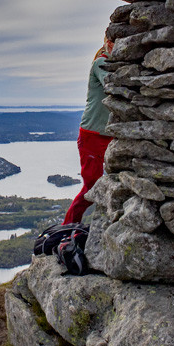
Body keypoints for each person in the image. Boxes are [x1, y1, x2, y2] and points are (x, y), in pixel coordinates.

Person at [64, 38, 113, 224]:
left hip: (108, 135)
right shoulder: (101, 62)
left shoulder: (116, 65)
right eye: (113, 41)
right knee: (91, 186)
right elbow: (112, 85)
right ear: (107, 42)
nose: (116, 45)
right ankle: (69, 226)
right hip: (92, 135)